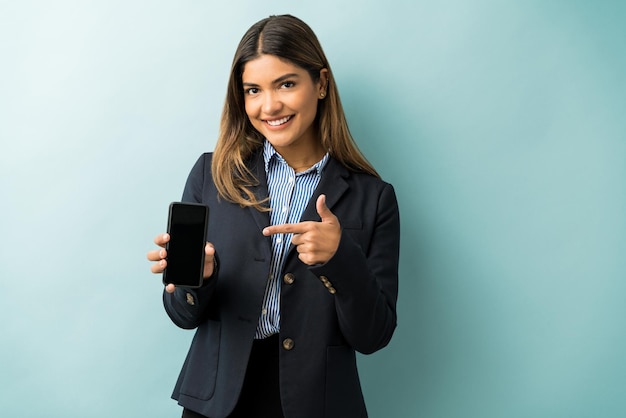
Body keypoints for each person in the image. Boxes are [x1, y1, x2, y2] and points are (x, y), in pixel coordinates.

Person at [147, 14, 400, 418]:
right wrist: (198, 278)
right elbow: (183, 314)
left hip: (316, 402)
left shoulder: (374, 198)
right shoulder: (212, 176)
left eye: (286, 84)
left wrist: (341, 259)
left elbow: (374, 335)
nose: (270, 106)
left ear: (320, 84)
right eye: (253, 90)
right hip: (217, 399)